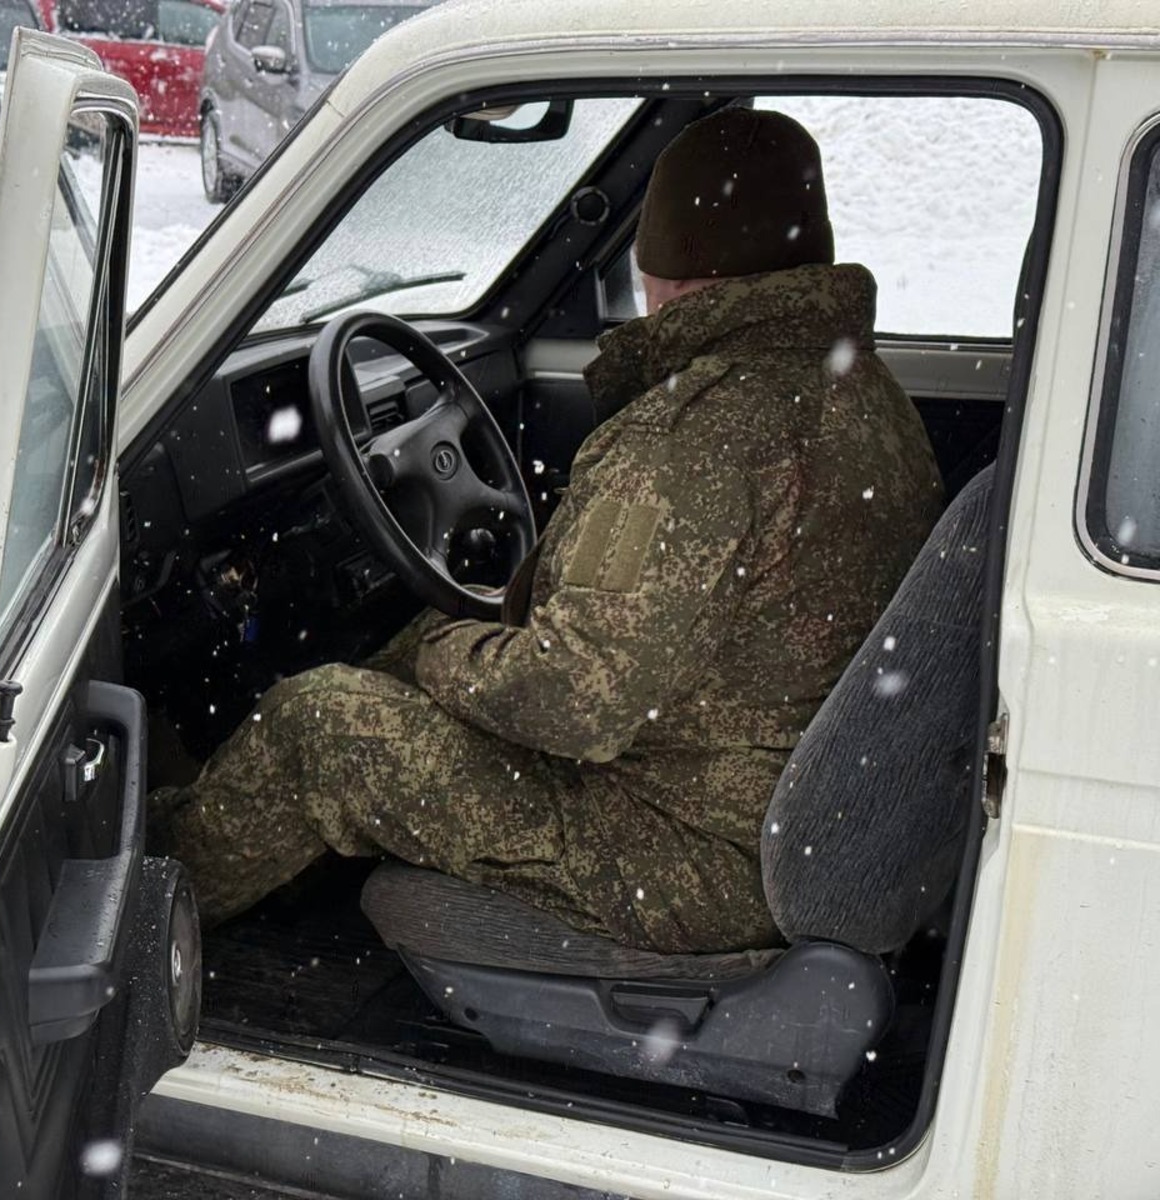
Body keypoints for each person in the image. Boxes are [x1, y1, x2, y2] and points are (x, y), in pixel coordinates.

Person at [149, 108, 945, 954]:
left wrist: (439, 656)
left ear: (666, 263)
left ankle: (143, 901)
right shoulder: (862, 394)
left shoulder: (695, 439)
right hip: (794, 813)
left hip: (693, 854)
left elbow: (577, 703)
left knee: (315, 726)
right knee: (444, 643)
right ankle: (261, 827)